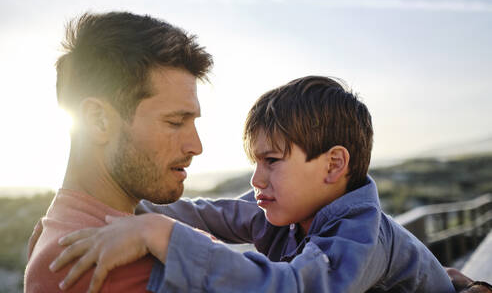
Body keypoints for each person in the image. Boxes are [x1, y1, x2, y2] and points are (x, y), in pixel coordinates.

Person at [51, 76, 465, 292]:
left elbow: (294, 288)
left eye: (271, 161)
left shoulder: (362, 236)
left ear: (334, 165)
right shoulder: (284, 208)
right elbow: (206, 214)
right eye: (255, 161)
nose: (256, 179)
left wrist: (162, 236)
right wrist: (103, 204)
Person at [24, 11, 213, 292]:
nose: (196, 146)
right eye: (174, 122)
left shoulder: (61, 225)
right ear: (98, 120)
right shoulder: (107, 266)